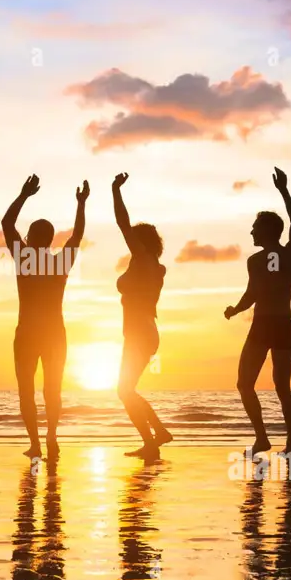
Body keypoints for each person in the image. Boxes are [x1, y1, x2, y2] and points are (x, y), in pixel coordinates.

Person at [1, 174, 89, 460]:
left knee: (26, 391)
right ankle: (51, 437)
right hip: (54, 334)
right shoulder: (60, 262)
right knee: (53, 389)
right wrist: (81, 204)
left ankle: (37, 444)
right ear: (50, 240)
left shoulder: (24, 258)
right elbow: (77, 236)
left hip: (27, 333)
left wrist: (24, 194)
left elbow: (6, 223)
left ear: (30, 237)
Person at [224, 167, 291, 456]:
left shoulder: (281, 254)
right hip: (275, 324)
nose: (252, 232)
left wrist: (283, 190)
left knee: (261, 385)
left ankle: (282, 441)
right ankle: (272, 440)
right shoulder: (269, 258)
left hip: (272, 325)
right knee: (265, 385)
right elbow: (251, 295)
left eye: (256, 228)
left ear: (267, 231)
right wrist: (235, 309)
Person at [113, 172, 173, 459]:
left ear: (141, 243)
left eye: (134, 240)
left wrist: (115, 191)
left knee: (124, 390)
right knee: (127, 389)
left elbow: (122, 224)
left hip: (139, 332)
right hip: (144, 332)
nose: (129, 242)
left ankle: (155, 438)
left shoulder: (142, 259)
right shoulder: (155, 266)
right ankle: (155, 437)